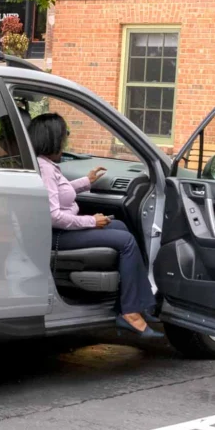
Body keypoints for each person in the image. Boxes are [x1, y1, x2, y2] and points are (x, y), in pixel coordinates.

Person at [28, 113, 159, 338]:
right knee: (126, 241)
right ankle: (130, 312)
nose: (66, 140)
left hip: (62, 230)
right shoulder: (46, 168)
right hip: (58, 235)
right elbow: (53, 216)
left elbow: (60, 193)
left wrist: (86, 181)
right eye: (64, 135)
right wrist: (91, 221)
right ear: (51, 138)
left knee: (119, 226)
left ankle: (135, 303)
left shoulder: (45, 164)